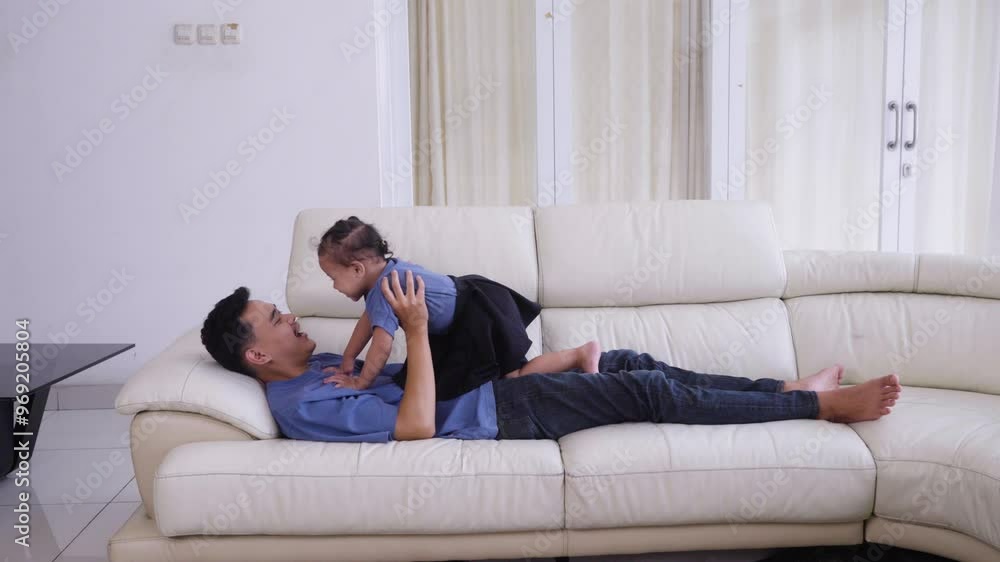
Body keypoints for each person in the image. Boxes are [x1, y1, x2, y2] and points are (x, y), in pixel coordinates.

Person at [200, 270, 902, 443]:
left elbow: (418, 384)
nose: (292, 317)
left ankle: (781, 385)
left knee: (625, 358)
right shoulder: (301, 402)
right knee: (648, 391)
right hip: (499, 417)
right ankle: (819, 405)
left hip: (491, 390)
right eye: (275, 319)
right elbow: (413, 427)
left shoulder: (324, 368)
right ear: (257, 353)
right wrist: (413, 330)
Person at [314, 216, 600, 400]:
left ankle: (578, 355)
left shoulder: (385, 289)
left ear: (356, 269)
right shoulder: (387, 275)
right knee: (502, 376)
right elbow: (368, 322)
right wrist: (348, 359)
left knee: (511, 378)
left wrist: (361, 383)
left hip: (477, 315)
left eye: (333, 278)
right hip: (474, 299)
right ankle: (577, 357)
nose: (333, 287)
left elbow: (382, 346)